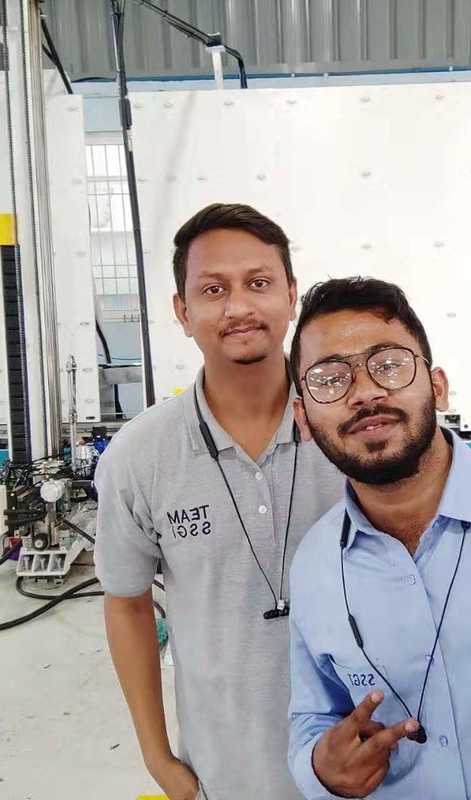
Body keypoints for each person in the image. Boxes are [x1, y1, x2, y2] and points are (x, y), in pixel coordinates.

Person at [286, 277, 471, 800]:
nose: (365, 392)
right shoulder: (315, 565)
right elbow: (313, 714)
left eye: (389, 365)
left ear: (438, 387)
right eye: (330, 379)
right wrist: (321, 769)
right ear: (303, 418)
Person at [94, 203, 344, 800]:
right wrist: (158, 758)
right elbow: (127, 605)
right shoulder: (141, 456)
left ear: (291, 295)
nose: (238, 307)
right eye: (213, 289)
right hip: (224, 773)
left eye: (258, 283)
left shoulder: (348, 431)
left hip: (364, 763)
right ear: (182, 312)